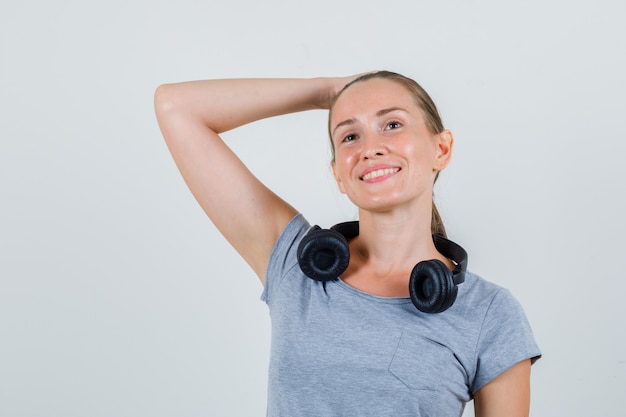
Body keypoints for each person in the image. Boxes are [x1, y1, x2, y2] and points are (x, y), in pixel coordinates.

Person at [154, 70, 541, 417]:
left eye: (391, 124)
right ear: (339, 173)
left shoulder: (491, 313)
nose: (370, 148)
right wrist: (326, 92)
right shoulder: (294, 263)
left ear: (440, 149)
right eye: (350, 135)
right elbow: (176, 106)